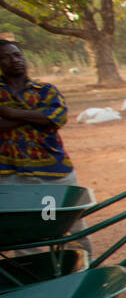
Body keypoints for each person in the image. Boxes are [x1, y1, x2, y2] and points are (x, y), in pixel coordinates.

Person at [0, 39, 90, 254]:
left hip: (53, 172)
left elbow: (56, 118)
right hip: (12, 174)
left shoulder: (46, 90)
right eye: (7, 57)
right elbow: (45, 118)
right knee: (23, 231)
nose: (15, 61)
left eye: (17, 55)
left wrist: (11, 113)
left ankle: (80, 266)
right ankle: (36, 274)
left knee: (68, 224)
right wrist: (36, 116)